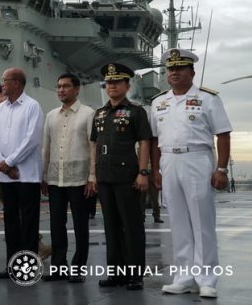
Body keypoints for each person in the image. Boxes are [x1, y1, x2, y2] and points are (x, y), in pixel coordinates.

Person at [151, 48, 232, 299]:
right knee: (178, 221)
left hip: (198, 158)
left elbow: (223, 134)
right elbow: (154, 139)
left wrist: (220, 168)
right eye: (170, 69)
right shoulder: (158, 102)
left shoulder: (208, 98)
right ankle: (183, 276)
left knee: (202, 221)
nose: (174, 72)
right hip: (169, 160)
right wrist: (156, 169)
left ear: (191, 72)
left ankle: (207, 278)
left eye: (180, 68)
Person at [91, 63, 151, 290]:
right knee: (111, 226)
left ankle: (135, 274)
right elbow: (94, 144)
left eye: (117, 82)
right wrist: (93, 174)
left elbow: (144, 141)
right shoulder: (100, 113)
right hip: (105, 176)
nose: (112, 86)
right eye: (109, 82)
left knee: (132, 225)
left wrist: (143, 172)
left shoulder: (136, 111)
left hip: (127, 176)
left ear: (127, 85)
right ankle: (116, 273)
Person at [0, 68, 44, 279]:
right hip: (7, 174)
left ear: (18, 83)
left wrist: (9, 162)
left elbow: (32, 140)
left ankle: (28, 267)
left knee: (29, 223)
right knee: (10, 222)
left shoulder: (32, 107)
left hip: (27, 175)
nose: (2, 84)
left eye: (6, 80)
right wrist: (3, 163)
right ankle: (12, 264)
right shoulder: (0, 109)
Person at [41, 73, 95, 282]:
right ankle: (59, 268)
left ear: (77, 89)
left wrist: (92, 177)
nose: (61, 90)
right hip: (56, 179)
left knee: (80, 225)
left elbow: (93, 147)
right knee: (57, 225)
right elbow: (47, 147)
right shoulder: (51, 116)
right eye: (58, 87)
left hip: (80, 179)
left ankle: (78, 268)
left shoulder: (88, 114)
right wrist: (43, 176)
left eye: (65, 86)